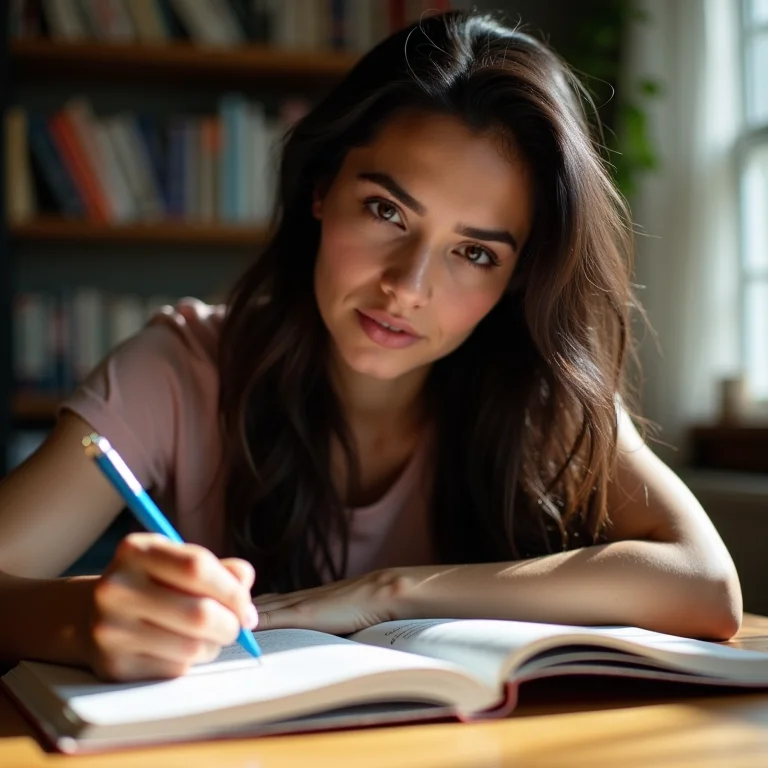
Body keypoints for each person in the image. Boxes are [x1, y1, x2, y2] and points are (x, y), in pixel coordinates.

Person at [0, 10, 741, 683]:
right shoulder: (179, 367)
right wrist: (85, 618)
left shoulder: (539, 388)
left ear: (520, 275)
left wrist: (387, 593)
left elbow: (706, 587)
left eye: (475, 253)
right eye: (386, 210)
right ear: (322, 188)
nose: (408, 286)